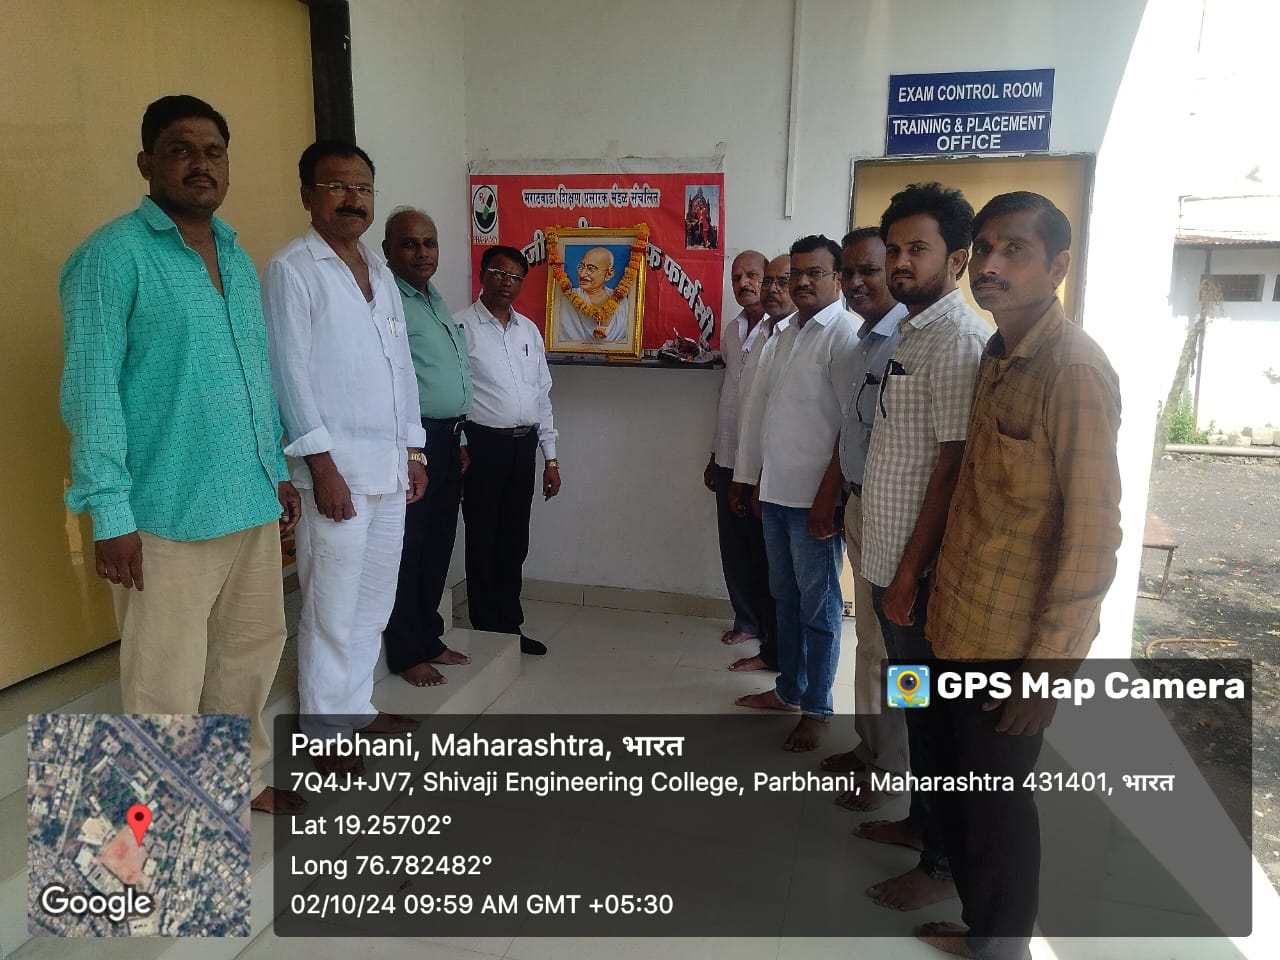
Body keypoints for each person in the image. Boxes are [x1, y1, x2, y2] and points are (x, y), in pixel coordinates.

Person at [59, 95, 303, 814]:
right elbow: (92, 394)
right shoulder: (111, 257)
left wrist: (277, 471)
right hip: (163, 510)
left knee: (248, 651)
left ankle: (238, 779)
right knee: (164, 675)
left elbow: (255, 376)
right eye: (181, 150)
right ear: (147, 163)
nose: (201, 164)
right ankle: (161, 818)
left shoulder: (236, 256)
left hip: (248, 500)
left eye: (214, 151)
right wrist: (110, 515)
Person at [914, 192, 1121, 960]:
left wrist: (1049, 669)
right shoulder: (998, 353)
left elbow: (1093, 534)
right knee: (959, 788)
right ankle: (980, 928)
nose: (992, 265)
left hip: (1010, 647)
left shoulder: (1073, 370)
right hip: (956, 618)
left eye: (1015, 250)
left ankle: (1002, 947)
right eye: (984, 248)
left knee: (996, 806)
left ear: (1058, 266)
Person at [262, 140, 426, 755]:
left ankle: (356, 710)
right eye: (337, 186)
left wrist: (414, 451)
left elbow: (401, 369)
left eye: (363, 188)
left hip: (388, 469)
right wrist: (320, 465)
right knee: (330, 608)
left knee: (374, 600)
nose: (353, 199)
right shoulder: (293, 269)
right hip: (334, 475)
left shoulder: (380, 273)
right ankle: (325, 732)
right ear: (308, 195)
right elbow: (288, 375)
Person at [856, 182, 989, 912]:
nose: (901, 262)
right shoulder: (913, 329)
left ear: (957, 259)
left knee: (935, 722)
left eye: (918, 249)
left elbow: (953, 464)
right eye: (895, 249)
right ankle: (919, 821)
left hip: (919, 576)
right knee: (914, 704)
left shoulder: (958, 339)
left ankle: (940, 864)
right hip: (889, 566)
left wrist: (910, 575)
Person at [732, 236, 860, 752]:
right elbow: (768, 415)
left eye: (814, 273)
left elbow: (850, 427)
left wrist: (829, 499)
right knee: (784, 599)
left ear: (837, 279)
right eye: (794, 274)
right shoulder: (787, 333)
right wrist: (755, 479)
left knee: (819, 609)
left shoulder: (843, 335)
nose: (802, 282)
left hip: (814, 502)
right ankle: (789, 690)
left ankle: (818, 708)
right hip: (778, 494)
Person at [819, 228, 911, 811]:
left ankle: (895, 764)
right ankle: (869, 745)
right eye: (848, 273)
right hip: (861, 506)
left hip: (899, 518)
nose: (856, 283)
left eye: (868, 271)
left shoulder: (912, 340)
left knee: (901, 652)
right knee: (870, 639)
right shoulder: (864, 341)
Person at [381, 207, 474, 687]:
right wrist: (413, 449)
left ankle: (429, 635)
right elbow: (392, 381)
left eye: (429, 243)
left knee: (439, 545)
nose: (422, 253)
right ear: (387, 251)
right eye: (409, 244)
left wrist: (460, 437)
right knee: (410, 549)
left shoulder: (432, 297)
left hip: (447, 437)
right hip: (414, 443)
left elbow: (448, 376)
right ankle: (405, 649)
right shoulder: (387, 299)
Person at [459, 246, 561, 656]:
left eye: (516, 277)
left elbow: (542, 395)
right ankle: (486, 626)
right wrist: (459, 445)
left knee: (515, 538)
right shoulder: (460, 327)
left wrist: (550, 457)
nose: (507, 282)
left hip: (524, 446)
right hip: (482, 446)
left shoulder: (528, 331)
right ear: (483, 274)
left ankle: (509, 624)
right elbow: (456, 396)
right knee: (483, 536)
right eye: (499, 273)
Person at [724, 252, 794, 673]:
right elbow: (738, 403)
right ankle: (759, 633)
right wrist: (724, 459)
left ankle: (778, 649)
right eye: (739, 277)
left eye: (760, 276)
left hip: (777, 473)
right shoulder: (744, 331)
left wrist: (760, 474)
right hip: (738, 459)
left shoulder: (796, 332)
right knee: (742, 551)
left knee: (776, 567)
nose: (752, 285)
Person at [703, 250, 772, 652]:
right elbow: (729, 395)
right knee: (733, 545)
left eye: (752, 275)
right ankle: (746, 619)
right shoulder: (732, 330)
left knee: (764, 547)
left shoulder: (781, 329)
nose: (743, 283)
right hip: (729, 455)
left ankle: (770, 627)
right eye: (736, 277)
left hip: (762, 462)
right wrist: (715, 455)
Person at [555, 246, 633, 342]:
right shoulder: (565, 300)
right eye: (581, 267)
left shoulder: (622, 303)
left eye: (591, 269)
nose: (582, 274)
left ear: (609, 274)